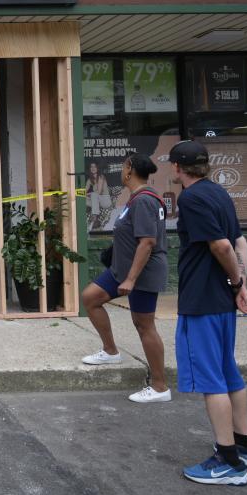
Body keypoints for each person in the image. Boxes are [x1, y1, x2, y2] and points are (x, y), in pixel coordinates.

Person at [169, 140, 247, 486]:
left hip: (203, 300)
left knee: (211, 379)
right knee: (228, 371)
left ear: (177, 168)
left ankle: (228, 460)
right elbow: (240, 242)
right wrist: (240, 283)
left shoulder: (191, 199)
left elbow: (221, 245)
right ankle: (245, 446)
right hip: (221, 300)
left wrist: (236, 283)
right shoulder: (220, 193)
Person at [80, 153, 171, 403]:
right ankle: (110, 351)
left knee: (144, 325)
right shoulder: (137, 199)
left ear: (129, 169)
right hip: (121, 269)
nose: (121, 171)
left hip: (141, 273)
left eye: (123, 166)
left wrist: (131, 279)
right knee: (90, 297)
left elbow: (147, 242)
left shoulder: (144, 201)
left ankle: (160, 386)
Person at [86, 161, 112, 231]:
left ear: (97, 168)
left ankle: (95, 217)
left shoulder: (101, 177)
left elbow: (99, 192)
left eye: (94, 166)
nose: (93, 168)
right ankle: (93, 221)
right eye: (91, 167)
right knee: (83, 198)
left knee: (94, 194)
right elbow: (84, 191)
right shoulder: (89, 180)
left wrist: (88, 194)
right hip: (97, 202)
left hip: (105, 200)